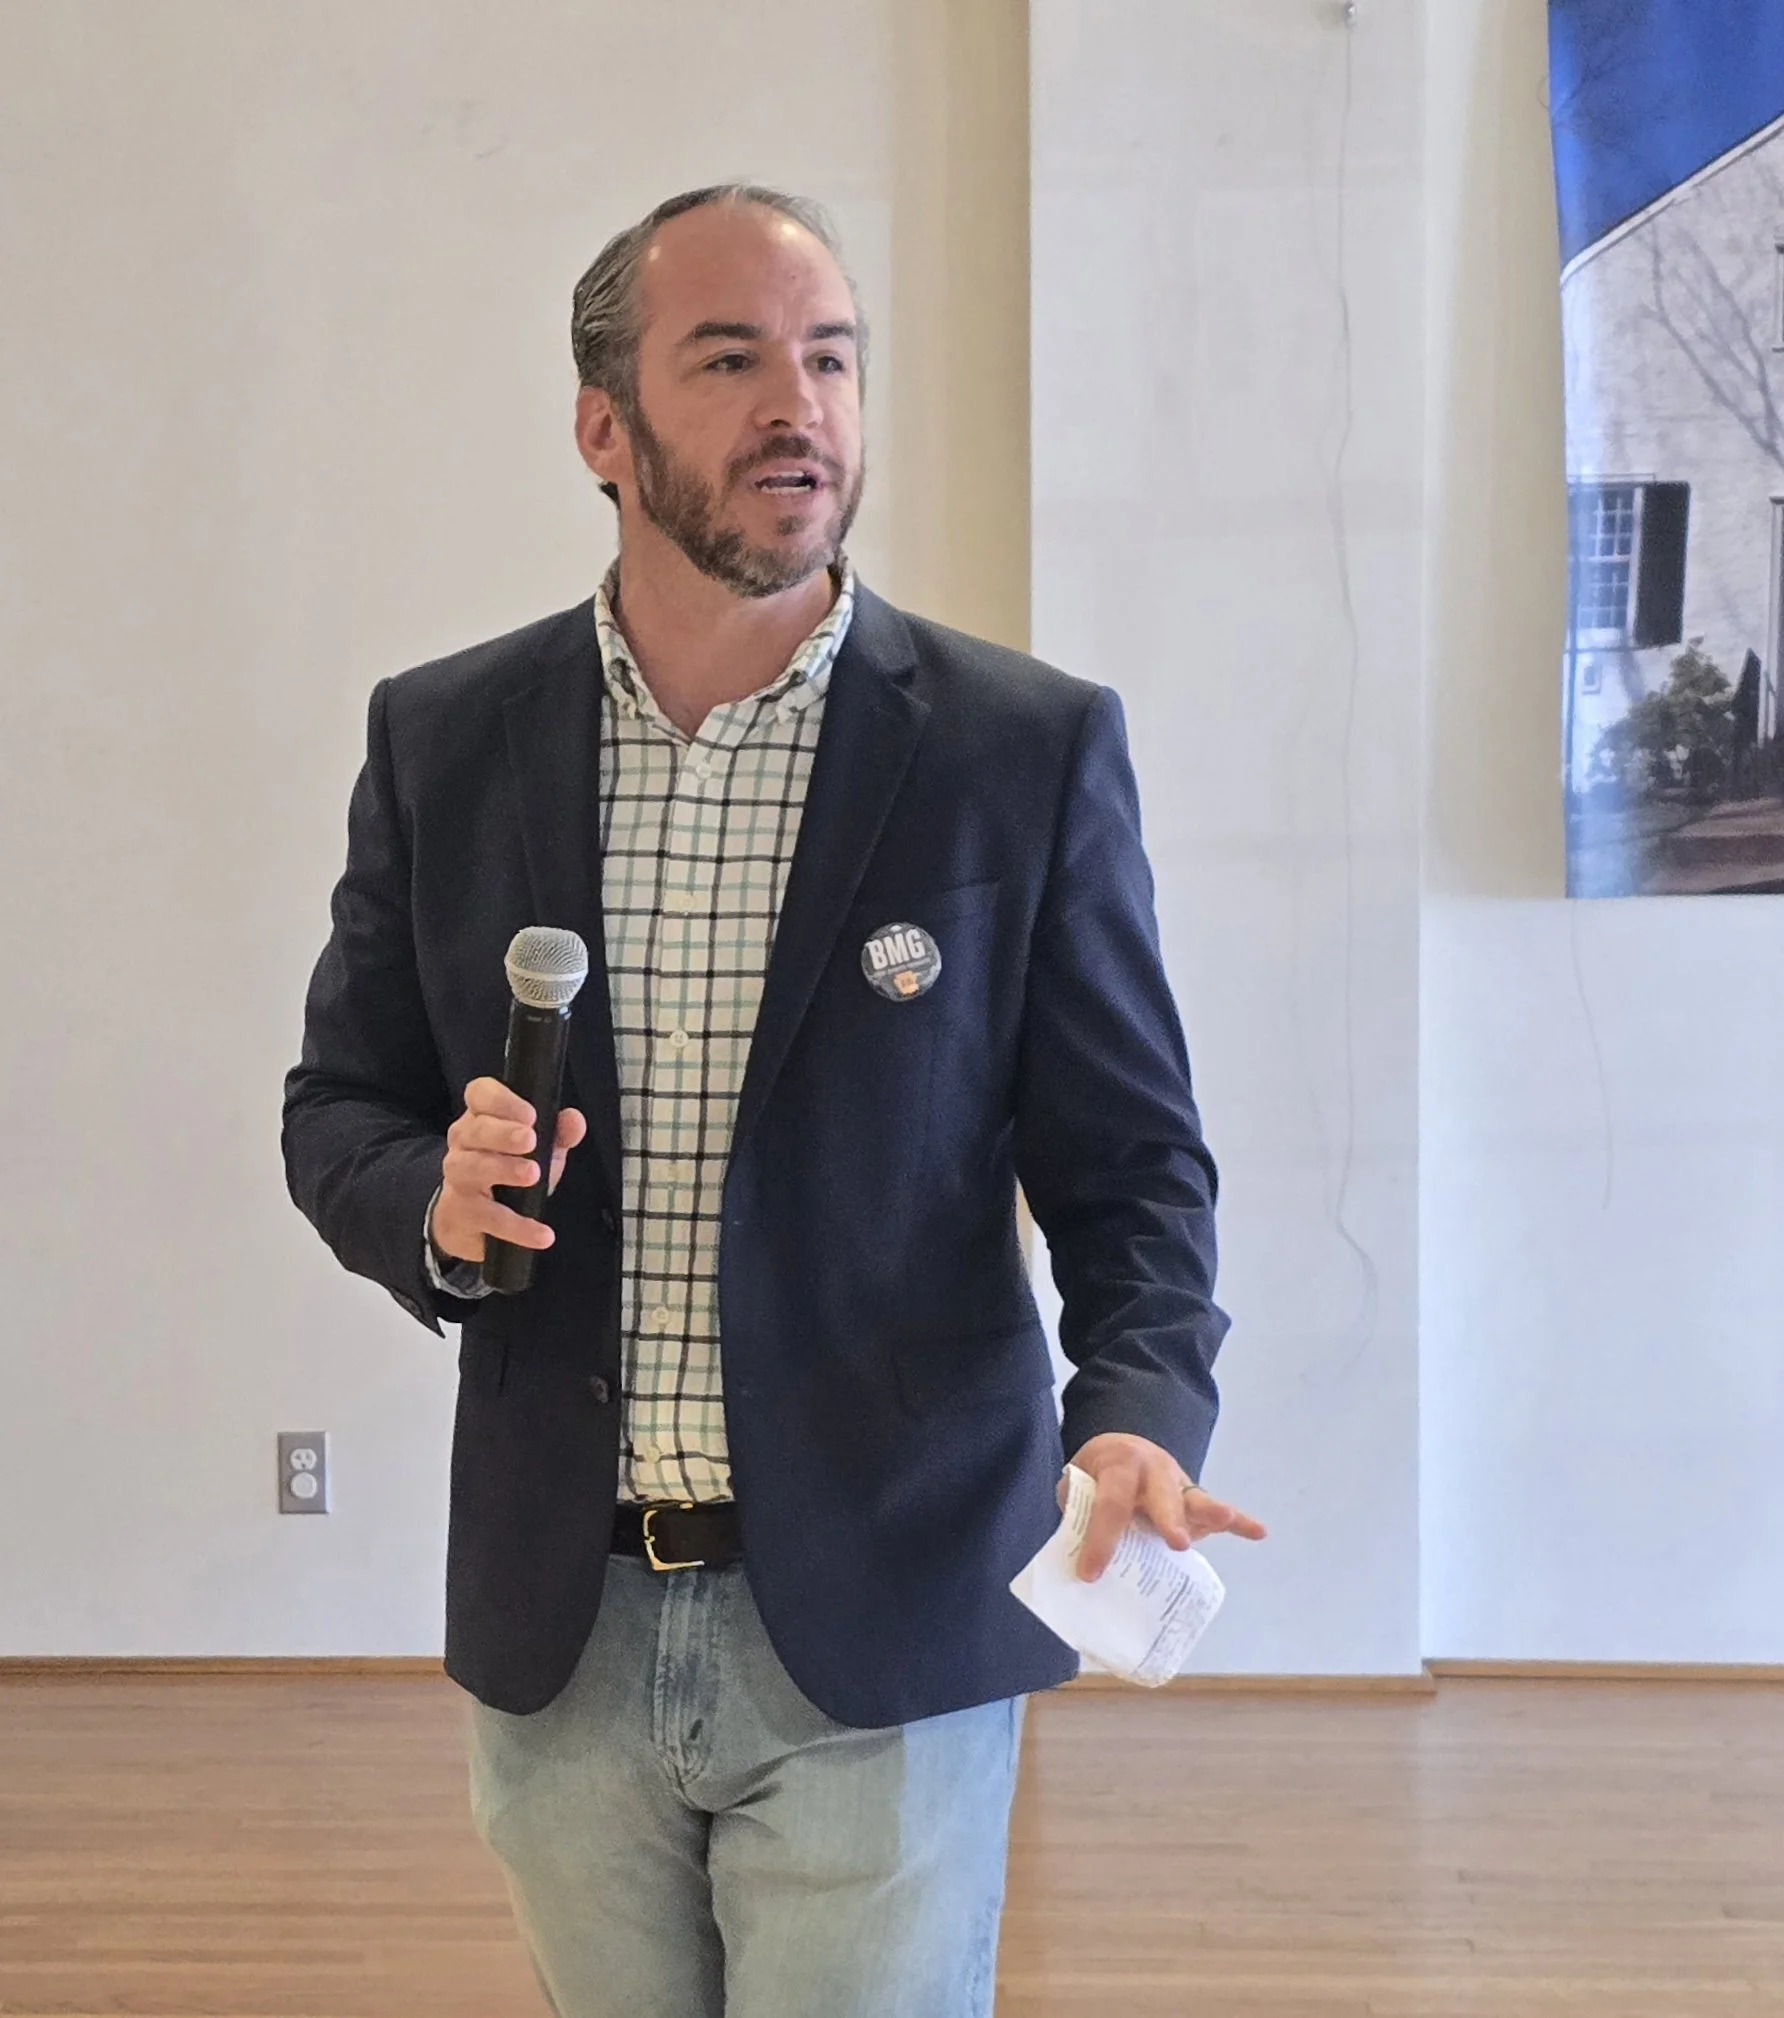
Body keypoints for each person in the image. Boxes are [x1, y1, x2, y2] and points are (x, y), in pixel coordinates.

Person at [282, 183, 1265, 2018]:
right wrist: (431, 1199)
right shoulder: (446, 738)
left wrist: (1138, 1402)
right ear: (604, 426)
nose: (795, 405)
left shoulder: (1015, 751)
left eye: (829, 358)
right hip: (561, 1626)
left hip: (882, 1621)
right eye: (727, 359)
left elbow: (1132, 1160)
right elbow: (337, 1104)